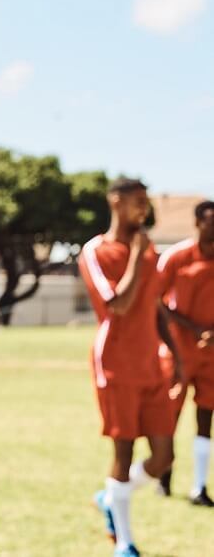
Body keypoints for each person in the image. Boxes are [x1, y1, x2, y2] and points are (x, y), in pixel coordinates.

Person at [78, 177, 182, 557]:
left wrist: (177, 357)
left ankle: (110, 497)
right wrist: (137, 255)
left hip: (150, 363)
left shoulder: (148, 248)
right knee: (123, 453)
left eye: (146, 202)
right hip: (116, 363)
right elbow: (117, 306)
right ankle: (125, 542)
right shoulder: (95, 250)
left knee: (164, 457)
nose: (144, 208)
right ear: (116, 202)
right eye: (138, 201)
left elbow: (154, 307)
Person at [155, 200, 214, 505]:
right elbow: (156, 300)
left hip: (211, 352)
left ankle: (199, 486)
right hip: (177, 348)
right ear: (198, 223)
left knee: (206, 417)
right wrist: (191, 328)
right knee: (170, 415)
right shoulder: (177, 256)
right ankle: (164, 474)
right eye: (210, 221)